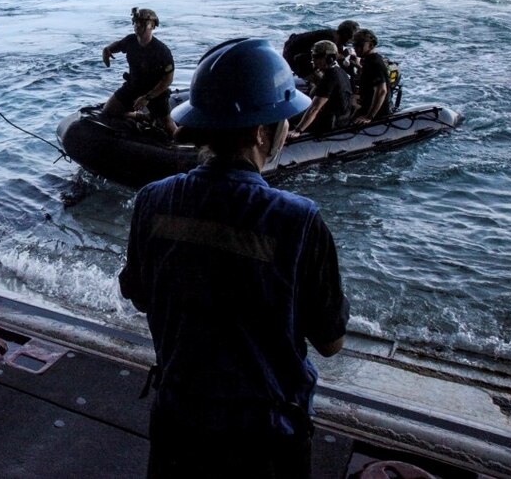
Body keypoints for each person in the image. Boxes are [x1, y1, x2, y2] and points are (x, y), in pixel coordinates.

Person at [118, 37, 349, 478]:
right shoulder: (299, 221)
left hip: (177, 421)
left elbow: (141, 296)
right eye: (284, 119)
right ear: (263, 132)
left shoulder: (152, 201)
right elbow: (330, 342)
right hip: (265, 437)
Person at [101, 7, 177, 136]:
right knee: (109, 111)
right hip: (133, 86)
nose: (137, 25)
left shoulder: (161, 51)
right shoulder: (131, 40)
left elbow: (167, 80)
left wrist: (147, 97)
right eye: (135, 22)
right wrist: (107, 50)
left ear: (152, 25)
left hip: (155, 92)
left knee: (167, 124)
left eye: (141, 22)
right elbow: (117, 45)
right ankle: (143, 117)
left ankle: (187, 148)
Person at [289, 40, 354, 137]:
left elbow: (315, 108)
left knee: (287, 118)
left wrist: (298, 130)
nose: (313, 60)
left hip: (332, 122)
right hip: (341, 117)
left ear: (329, 58)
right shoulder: (340, 71)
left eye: (316, 57)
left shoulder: (330, 77)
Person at [282, 20, 358, 80]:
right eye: (352, 38)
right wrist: (343, 55)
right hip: (294, 54)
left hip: (295, 51)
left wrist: (353, 73)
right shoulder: (332, 38)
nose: (352, 41)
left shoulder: (338, 40)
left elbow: (340, 62)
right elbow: (330, 56)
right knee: (322, 80)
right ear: (346, 34)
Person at [350, 29, 391, 124]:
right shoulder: (369, 60)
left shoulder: (375, 63)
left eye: (359, 45)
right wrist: (358, 66)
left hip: (377, 114)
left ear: (371, 45)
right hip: (365, 106)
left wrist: (369, 117)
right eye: (354, 45)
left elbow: (381, 91)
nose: (356, 48)